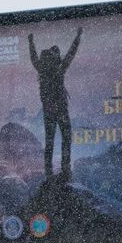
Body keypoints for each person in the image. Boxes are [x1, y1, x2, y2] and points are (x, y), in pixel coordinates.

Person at [28, 27, 82, 178]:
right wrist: (78, 37)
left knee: (49, 141)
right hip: (61, 109)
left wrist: (30, 42)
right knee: (66, 138)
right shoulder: (58, 69)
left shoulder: (42, 69)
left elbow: (33, 57)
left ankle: (48, 171)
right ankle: (65, 168)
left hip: (48, 110)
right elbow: (71, 54)